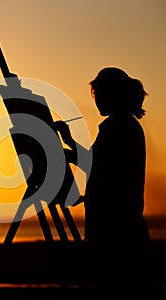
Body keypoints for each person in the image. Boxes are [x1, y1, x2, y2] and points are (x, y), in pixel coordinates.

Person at [54, 67, 151, 288]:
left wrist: (68, 149)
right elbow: (98, 162)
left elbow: (97, 164)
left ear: (111, 94)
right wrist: (69, 143)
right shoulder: (123, 124)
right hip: (120, 226)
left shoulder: (118, 125)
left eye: (97, 94)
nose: (95, 100)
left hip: (116, 230)